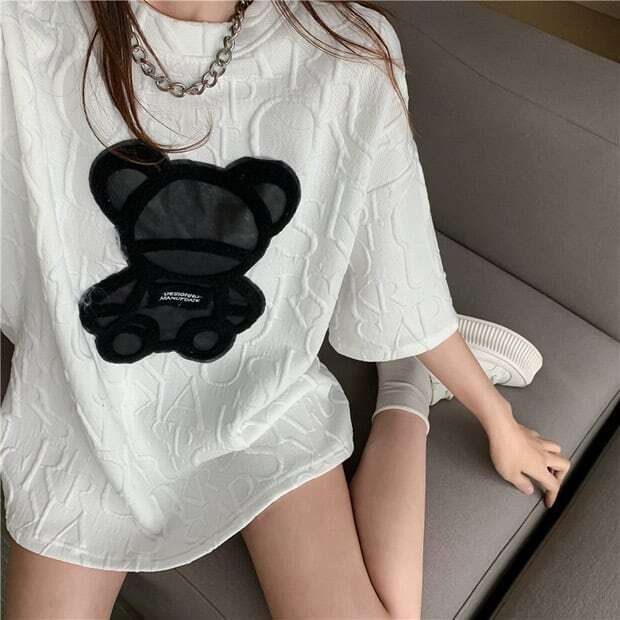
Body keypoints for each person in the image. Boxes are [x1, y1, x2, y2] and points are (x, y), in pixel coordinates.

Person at [0, 1, 570, 618]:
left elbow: (401, 269)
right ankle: (408, 376)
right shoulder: (27, 24)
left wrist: (499, 419)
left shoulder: (347, 51)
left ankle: (406, 381)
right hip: (85, 410)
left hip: (257, 400)